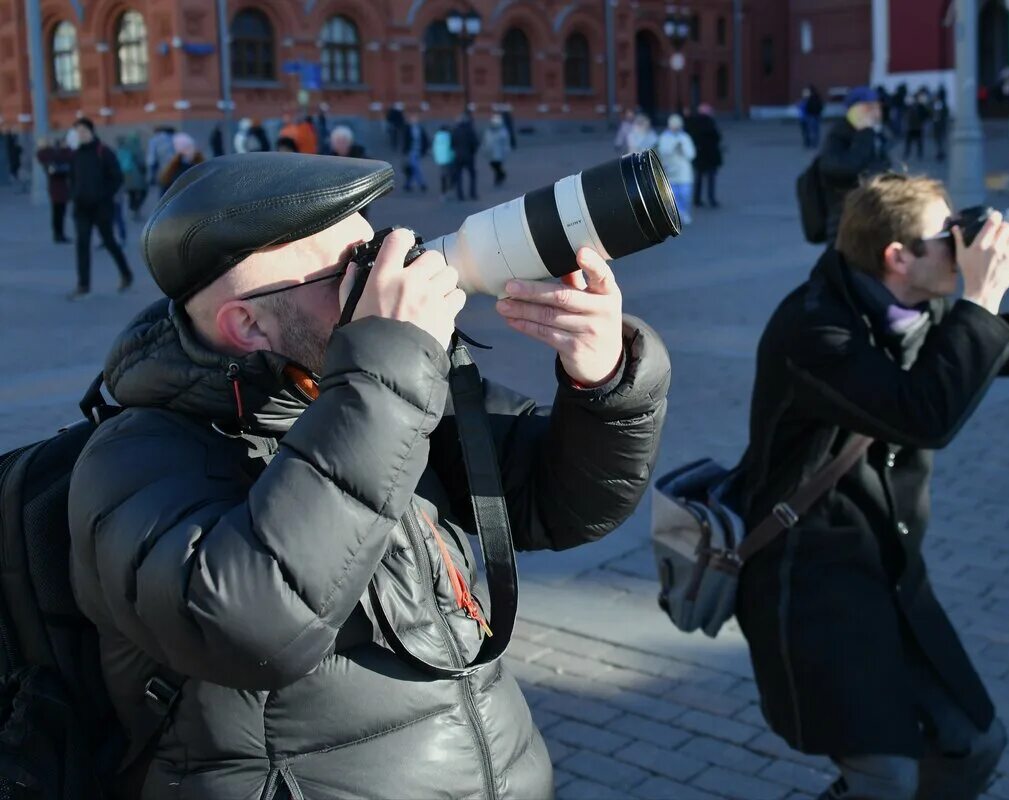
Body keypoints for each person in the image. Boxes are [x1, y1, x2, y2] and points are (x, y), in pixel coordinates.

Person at [67, 152, 670, 800]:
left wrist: (602, 376)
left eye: (376, 250)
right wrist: (382, 369)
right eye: (348, 272)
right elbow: (249, 625)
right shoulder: (130, 458)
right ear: (246, 324)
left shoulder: (376, 387)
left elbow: (559, 502)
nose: (386, 277)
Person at [735, 172, 1009, 800]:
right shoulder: (815, 330)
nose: (964, 243)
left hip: (889, 575)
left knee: (974, 745)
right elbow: (923, 413)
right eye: (948, 236)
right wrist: (979, 296)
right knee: (885, 776)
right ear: (898, 257)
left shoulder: (920, 299)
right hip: (810, 583)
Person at [68, 118, 134, 299]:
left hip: (101, 208)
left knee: (109, 241)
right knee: (82, 244)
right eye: (78, 132)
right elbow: (72, 178)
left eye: (83, 131)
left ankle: (126, 273)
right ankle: (83, 285)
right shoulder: (75, 154)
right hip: (81, 208)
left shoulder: (103, 152)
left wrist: (104, 196)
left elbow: (117, 177)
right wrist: (73, 194)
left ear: (91, 132)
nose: (81, 135)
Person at [817, 85, 892, 241]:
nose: (876, 112)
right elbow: (849, 167)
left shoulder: (875, 134)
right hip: (844, 222)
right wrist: (864, 133)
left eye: (877, 106)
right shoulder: (840, 135)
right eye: (869, 108)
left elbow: (881, 167)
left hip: (870, 218)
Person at [655, 113, 697, 226]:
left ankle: (684, 211)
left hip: (684, 170)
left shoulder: (685, 137)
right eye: (673, 125)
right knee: (673, 195)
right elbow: (663, 151)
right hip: (670, 169)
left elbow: (691, 154)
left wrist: (682, 148)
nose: (675, 128)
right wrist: (673, 147)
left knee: (685, 193)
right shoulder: (664, 137)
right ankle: (678, 214)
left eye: (677, 125)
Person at [36, 136, 73, 243]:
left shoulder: (53, 154)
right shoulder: (49, 155)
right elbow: (54, 169)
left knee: (59, 212)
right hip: (58, 187)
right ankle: (58, 235)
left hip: (58, 187)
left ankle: (59, 234)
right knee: (58, 212)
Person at [688, 103, 723, 208]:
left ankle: (697, 199)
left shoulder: (694, 123)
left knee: (699, 177)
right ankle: (711, 199)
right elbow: (717, 137)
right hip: (711, 154)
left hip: (699, 154)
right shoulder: (710, 123)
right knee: (711, 178)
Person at [116, 134, 149, 221]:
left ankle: (134, 209)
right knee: (143, 191)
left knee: (132, 193)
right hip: (136, 174)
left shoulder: (123, 149)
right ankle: (136, 209)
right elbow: (141, 163)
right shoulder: (136, 149)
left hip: (126, 174)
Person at [451, 111, 479, 201]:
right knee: (472, 175)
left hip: (458, 156)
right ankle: (472, 193)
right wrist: (472, 152)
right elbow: (475, 143)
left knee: (459, 176)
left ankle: (460, 195)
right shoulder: (470, 130)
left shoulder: (455, 130)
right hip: (469, 156)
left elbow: (452, 144)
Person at [401, 113, 430, 192]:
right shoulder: (408, 129)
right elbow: (405, 140)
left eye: (415, 119)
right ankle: (422, 184)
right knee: (415, 167)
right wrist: (405, 150)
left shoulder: (420, 129)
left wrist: (425, 149)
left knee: (413, 168)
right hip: (411, 151)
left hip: (418, 151)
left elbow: (425, 139)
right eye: (413, 120)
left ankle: (408, 185)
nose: (414, 121)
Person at [483, 113, 512, 188]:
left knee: (497, 165)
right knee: (493, 165)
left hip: (498, 153)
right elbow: (486, 141)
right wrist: (485, 148)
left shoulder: (502, 132)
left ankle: (498, 178)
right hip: (491, 152)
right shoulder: (489, 131)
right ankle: (502, 174)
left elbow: (506, 143)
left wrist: (506, 151)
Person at [145, 126, 176, 196]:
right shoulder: (173, 138)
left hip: (162, 169)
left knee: (163, 192)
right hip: (174, 169)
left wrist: (151, 176)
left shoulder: (154, 140)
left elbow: (152, 158)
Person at [903, 88, 930, 161]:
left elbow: (926, 115)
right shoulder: (912, 106)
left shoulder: (920, 106)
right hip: (912, 126)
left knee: (918, 142)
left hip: (917, 126)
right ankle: (908, 153)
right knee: (910, 142)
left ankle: (918, 154)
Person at [432, 123, 455, 200]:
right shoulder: (449, 136)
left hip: (440, 159)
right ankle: (448, 188)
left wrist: (436, 157)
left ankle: (443, 193)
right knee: (449, 174)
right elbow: (451, 147)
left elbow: (434, 147)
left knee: (442, 176)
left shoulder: (437, 136)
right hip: (448, 158)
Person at [930, 87, 950, 162]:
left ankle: (941, 152)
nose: (934, 98)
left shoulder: (942, 104)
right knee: (937, 139)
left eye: (935, 96)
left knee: (940, 139)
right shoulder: (933, 104)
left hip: (941, 124)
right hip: (936, 124)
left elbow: (945, 113)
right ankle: (939, 152)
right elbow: (931, 113)